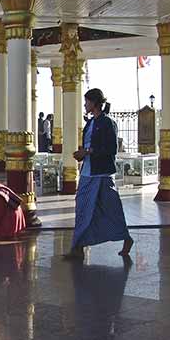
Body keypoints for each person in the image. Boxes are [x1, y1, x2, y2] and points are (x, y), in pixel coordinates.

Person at [66, 88, 133, 259]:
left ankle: (126, 238)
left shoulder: (107, 123)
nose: (85, 104)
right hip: (87, 173)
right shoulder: (90, 123)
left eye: (87, 101)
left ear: (95, 103)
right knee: (82, 208)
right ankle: (78, 246)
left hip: (102, 175)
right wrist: (83, 154)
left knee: (112, 210)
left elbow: (111, 149)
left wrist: (87, 152)